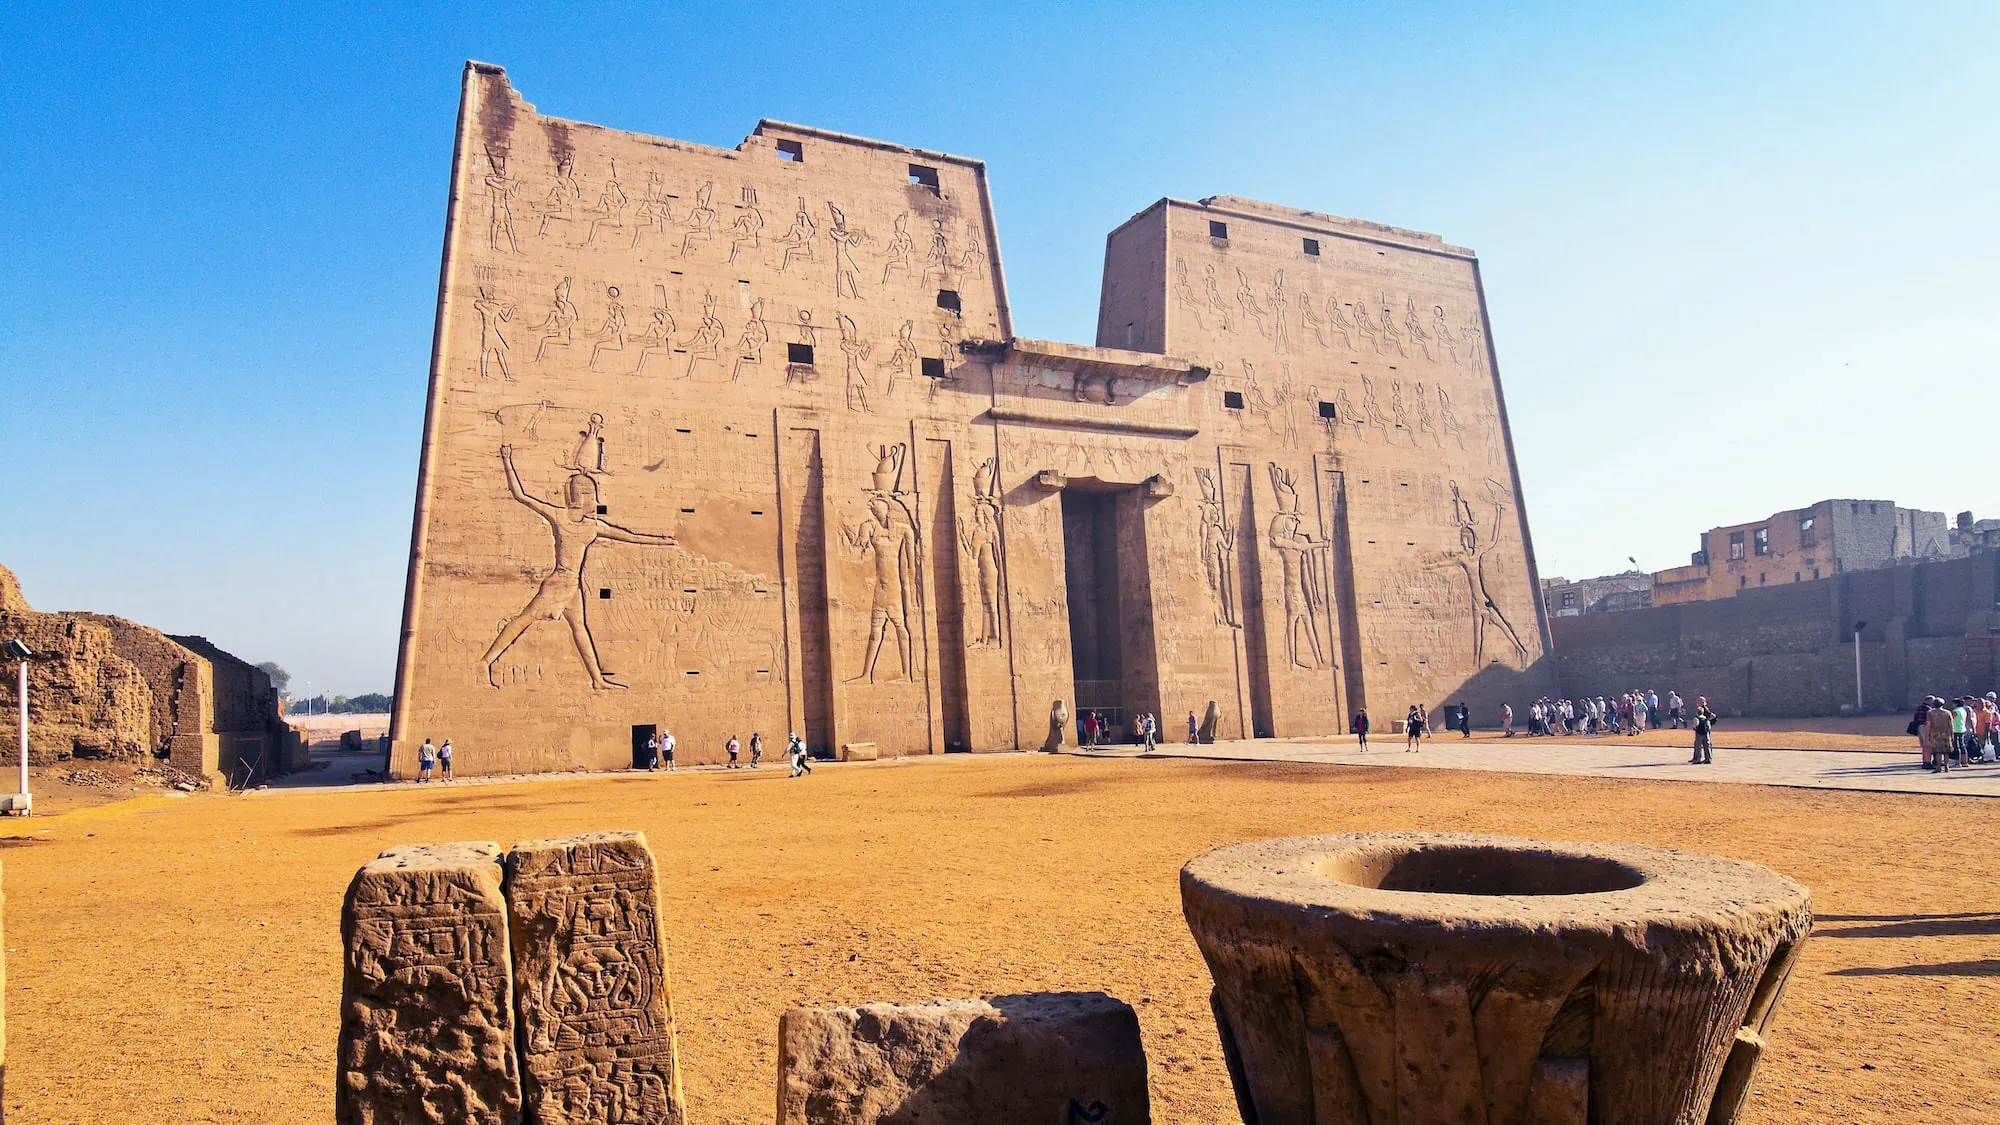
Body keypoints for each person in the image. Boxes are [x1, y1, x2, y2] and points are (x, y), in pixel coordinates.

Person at [1924, 697, 1954, 773]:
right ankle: (1947, 767)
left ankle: (1938, 767)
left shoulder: (1930, 713)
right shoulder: (1947, 712)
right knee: (1946, 751)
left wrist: (1927, 735)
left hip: (1935, 733)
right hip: (1946, 733)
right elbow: (1951, 725)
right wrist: (1952, 734)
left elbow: (1928, 724)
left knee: (1937, 751)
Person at [1690, 697, 1717, 764]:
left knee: (1698, 744)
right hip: (1705, 729)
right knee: (1706, 744)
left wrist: (1707, 721)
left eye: (1698, 701)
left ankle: (1698, 758)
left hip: (1701, 729)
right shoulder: (1703, 709)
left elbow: (1712, 716)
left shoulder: (1704, 709)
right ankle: (1706, 758)